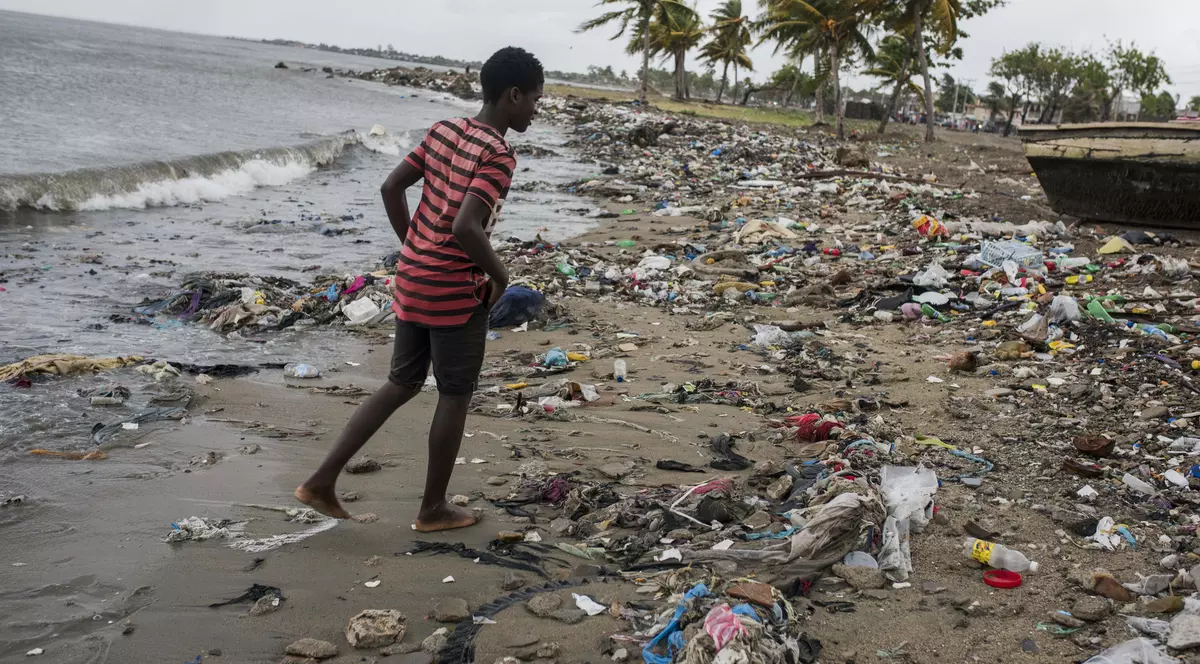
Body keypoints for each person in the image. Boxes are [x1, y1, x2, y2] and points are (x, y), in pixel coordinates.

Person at [295, 46, 544, 532]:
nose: (537, 108)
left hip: (411, 278)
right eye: (535, 99)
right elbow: (467, 227)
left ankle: (321, 481)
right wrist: (501, 276)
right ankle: (432, 508)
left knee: (401, 382)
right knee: (454, 392)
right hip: (454, 290)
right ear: (513, 95)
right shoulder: (498, 153)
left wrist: (413, 246)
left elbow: (392, 188)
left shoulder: (443, 129)